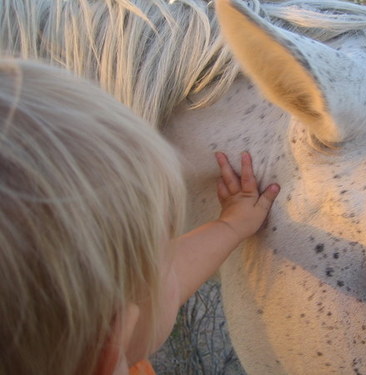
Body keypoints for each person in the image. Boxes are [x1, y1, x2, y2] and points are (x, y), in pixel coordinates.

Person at [0, 58, 280, 375]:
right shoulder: (112, 352)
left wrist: (230, 225)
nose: (170, 265)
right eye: (160, 256)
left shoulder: (79, 343)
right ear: (111, 351)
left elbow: (164, 286)